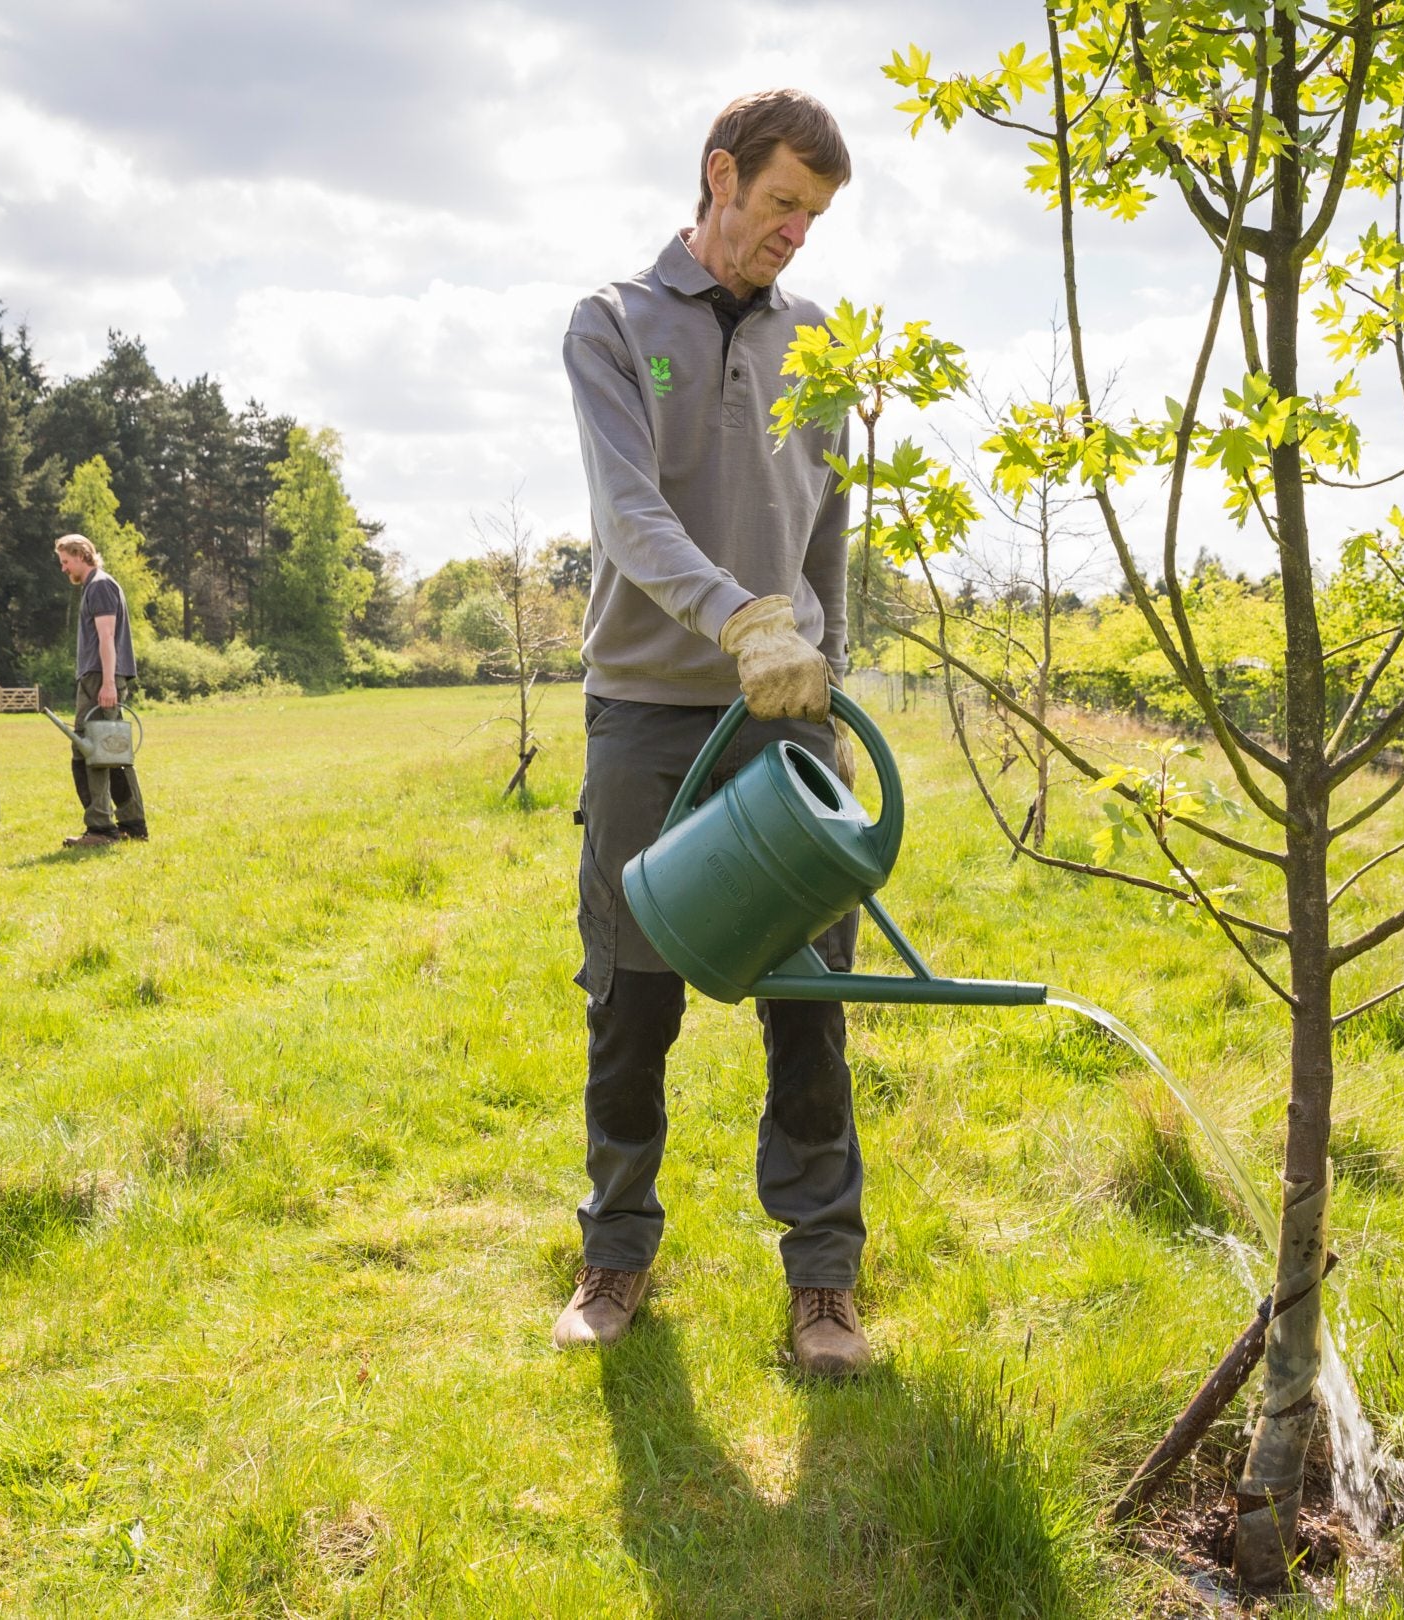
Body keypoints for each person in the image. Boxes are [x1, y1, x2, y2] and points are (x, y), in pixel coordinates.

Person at [551, 89, 872, 1376]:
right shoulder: (614, 326)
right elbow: (628, 515)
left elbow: (828, 538)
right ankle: (616, 1255)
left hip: (789, 722)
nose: (798, 232)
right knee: (633, 1000)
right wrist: (740, 618)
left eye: (818, 215)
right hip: (648, 718)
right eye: (785, 201)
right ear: (721, 176)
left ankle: (827, 1288)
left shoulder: (825, 345)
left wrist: (822, 671)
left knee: (811, 1007)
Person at [54, 534, 147, 847]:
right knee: (112, 750)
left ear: (81, 555)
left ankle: (101, 829)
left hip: (100, 679)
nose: (64, 569)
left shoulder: (100, 586)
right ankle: (132, 825)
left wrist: (108, 683)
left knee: (93, 752)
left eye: (66, 562)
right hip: (97, 678)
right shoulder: (96, 586)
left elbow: (107, 638)